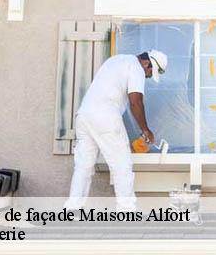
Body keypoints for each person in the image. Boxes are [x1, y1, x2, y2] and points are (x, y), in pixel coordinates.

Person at [64, 50, 168, 211]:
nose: (147, 76)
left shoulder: (116, 60)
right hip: (105, 116)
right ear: (147, 63)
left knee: (83, 166)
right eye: (149, 73)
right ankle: (126, 211)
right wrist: (146, 129)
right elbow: (136, 101)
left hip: (84, 115)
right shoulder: (136, 67)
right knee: (122, 164)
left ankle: (73, 208)